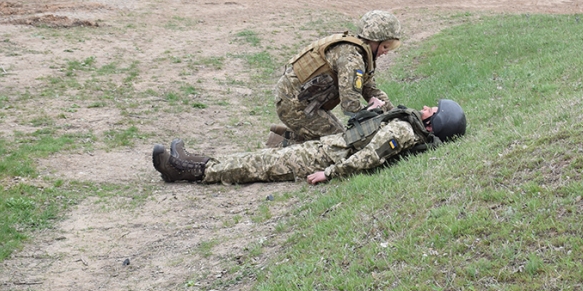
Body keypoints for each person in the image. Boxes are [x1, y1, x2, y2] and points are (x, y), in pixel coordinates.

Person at [151, 99, 467, 185]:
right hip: (328, 148)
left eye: (434, 110)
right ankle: (195, 161)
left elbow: (370, 157)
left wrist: (329, 173)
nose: (427, 107)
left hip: (324, 158)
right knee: (261, 157)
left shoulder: (404, 133)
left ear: (433, 123)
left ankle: (184, 169)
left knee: (259, 164)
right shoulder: (406, 125)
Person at [267, 10, 403, 148]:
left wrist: (396, 115)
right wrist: (375, 114)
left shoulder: (359, 53)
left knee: (336, 137)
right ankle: (278, 150)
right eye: (386, 46)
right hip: (294, 104)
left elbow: (371, 90)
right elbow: (350, 107)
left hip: (302, 101)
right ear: (374, 41)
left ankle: (279, 142)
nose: (386, 52)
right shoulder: (352, 60)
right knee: (340, 143)